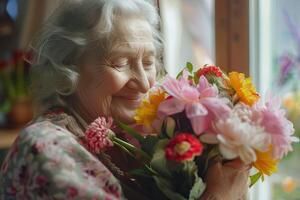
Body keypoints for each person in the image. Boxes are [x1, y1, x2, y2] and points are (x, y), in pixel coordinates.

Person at [0, 0, 249, 199]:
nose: (143, 83)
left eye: (149, 63)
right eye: (120, 63)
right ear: (69, 69)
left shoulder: (139, 138)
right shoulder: (45, 148)